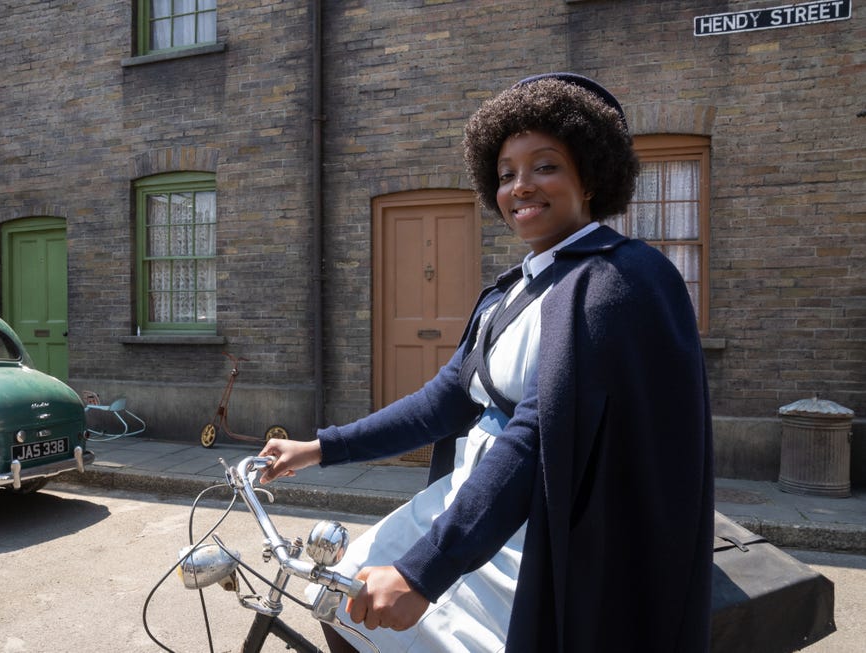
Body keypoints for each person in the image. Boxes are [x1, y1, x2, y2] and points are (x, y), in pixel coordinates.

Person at [259, 73, 714, 652]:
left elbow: (535, 440)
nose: (520, 186)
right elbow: (445, 400)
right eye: (505, 173)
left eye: (545, 165)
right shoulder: (516, 289)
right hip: (470, 503)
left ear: (592, 175)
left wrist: (425, 570)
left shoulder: (621, 282)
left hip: (541, 540)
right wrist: (321, 448)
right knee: (342, 595)